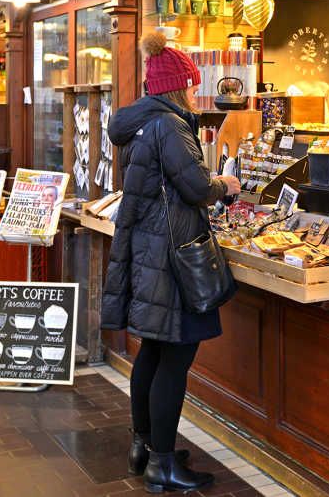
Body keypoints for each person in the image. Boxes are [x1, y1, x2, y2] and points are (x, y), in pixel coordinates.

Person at [101, 32, 241, 493]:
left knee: (153, 352)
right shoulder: (170, 126)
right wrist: (225, 183)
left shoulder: (139, 123)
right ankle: (163, 464)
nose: (194, 92)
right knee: (174, 359)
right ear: (178, 86)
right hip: (174, 258)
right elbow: (196, 188)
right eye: (190, 84)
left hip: (149, 251)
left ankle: (144, 445)